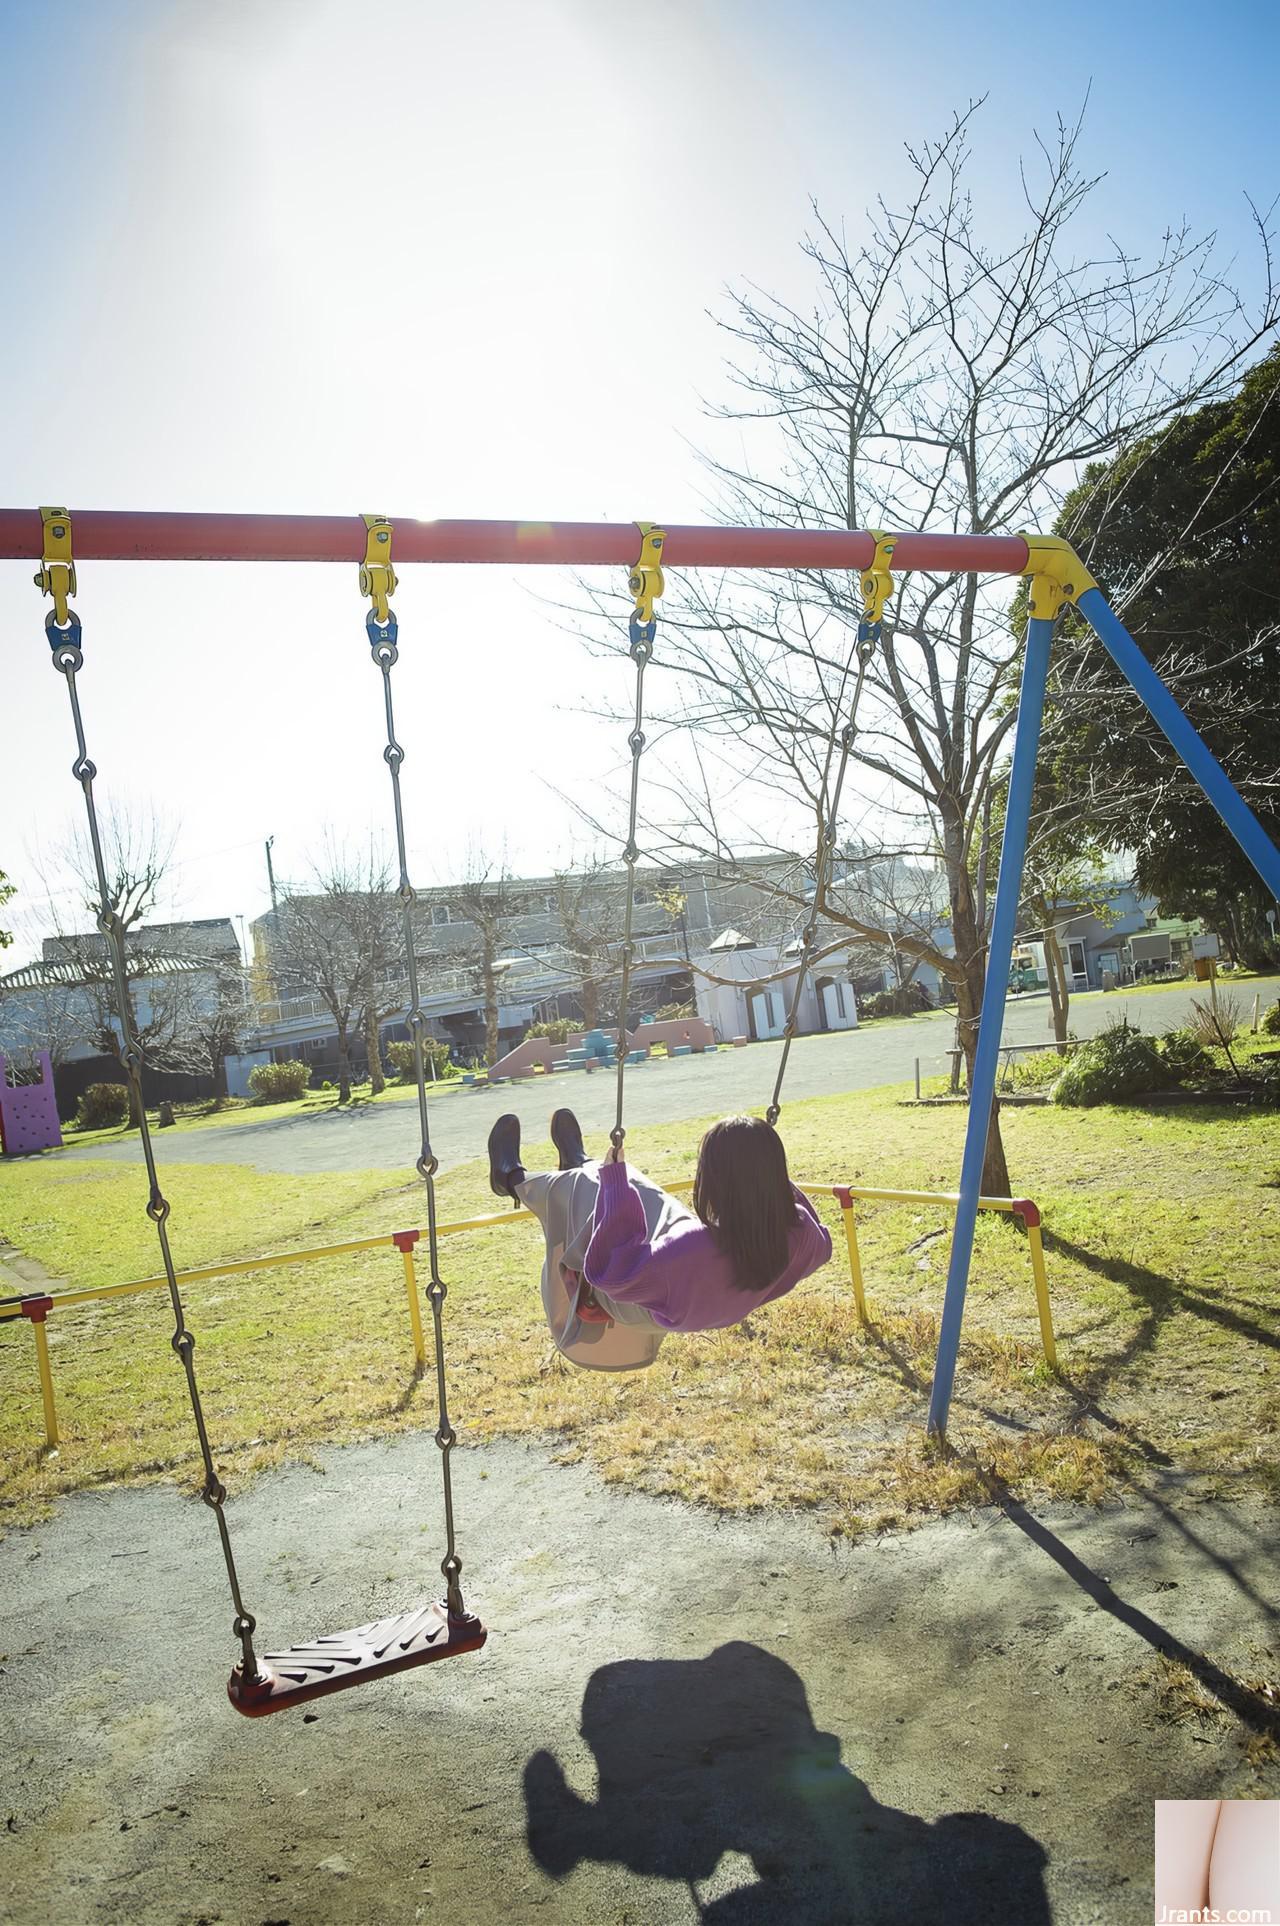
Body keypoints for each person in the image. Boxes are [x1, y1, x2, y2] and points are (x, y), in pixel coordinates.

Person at [488, 1107, 832, 1371]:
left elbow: (609, 1273)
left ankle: (512, 1178)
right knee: (642, 1191)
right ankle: (581, 1161)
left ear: (713, 1182)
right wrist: (769, 1176)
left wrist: (614, 1192)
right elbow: (822, 1244)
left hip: (641, 1306)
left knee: (592, 1194)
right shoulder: (796, 1232)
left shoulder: (686, 1251)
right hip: (705, 1291)